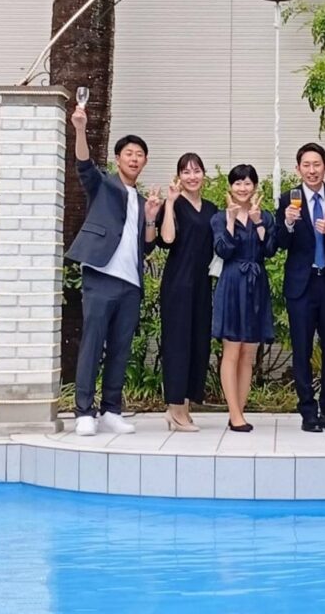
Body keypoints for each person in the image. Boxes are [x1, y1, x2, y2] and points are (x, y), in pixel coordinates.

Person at [66, 106, 161, 436]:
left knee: (120, 349)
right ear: (118, 158)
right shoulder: (103, 185)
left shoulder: (142, 200)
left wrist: (152, 217)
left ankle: (111, 410)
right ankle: (83, 411)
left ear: (145, 162)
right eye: (129, 153)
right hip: (101, 276)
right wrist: (80, 129)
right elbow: (83, 165)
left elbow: (147, 246)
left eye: (140, 155)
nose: (134, 159)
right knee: (92, 344)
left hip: (131, 284)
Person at [276, 143, 325, 432]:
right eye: (306, 165)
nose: (312, 170)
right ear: (298, 169)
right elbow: (280, 242)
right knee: (302, 349)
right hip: (301, 285)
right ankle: (308, 411)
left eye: (317, 164)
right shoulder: (289, 198)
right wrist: (288, 222)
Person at [211, 164, 277, 432]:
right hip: (232, 282)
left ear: (255, 187)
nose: (242, 188)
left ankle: (239, 411)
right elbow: (223, 250)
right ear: (230, 187)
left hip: (256, 283)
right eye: (237, 183)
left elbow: (270, 250)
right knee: (232, 349)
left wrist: (259, 222)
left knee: (249, 351)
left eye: (247, 183)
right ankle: (234, 413)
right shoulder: (219, 217)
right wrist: (231, 221)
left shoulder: (266, 216)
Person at [156, 153, 217, 432]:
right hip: (178, 284)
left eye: (196, 171)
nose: (192, 176)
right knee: (177, 344)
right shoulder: (175, 204)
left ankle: (186, 407)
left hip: (202, 284)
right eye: (186, 171)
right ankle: (175, 408)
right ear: (179, 176)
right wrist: (169, 203)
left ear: (203, 174)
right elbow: (167, 238)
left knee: (198, 343)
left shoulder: (212, 209)